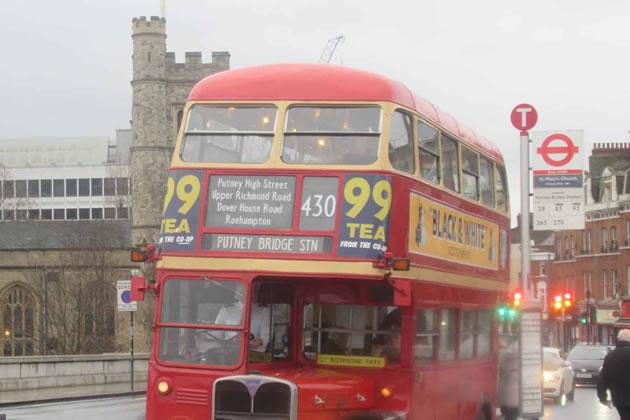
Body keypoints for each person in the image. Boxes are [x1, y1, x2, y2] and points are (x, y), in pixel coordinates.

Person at [597, 329, 630, 419]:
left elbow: (603, 377)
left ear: (618, 339)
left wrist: (602, 397)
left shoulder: (611, 356)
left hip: (619, 398)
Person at [497, 335, 519, 420]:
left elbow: (503, 361)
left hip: (513, 391)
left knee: (513, 411)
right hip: (516, 393)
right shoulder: (516, 347)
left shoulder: (513, 348)